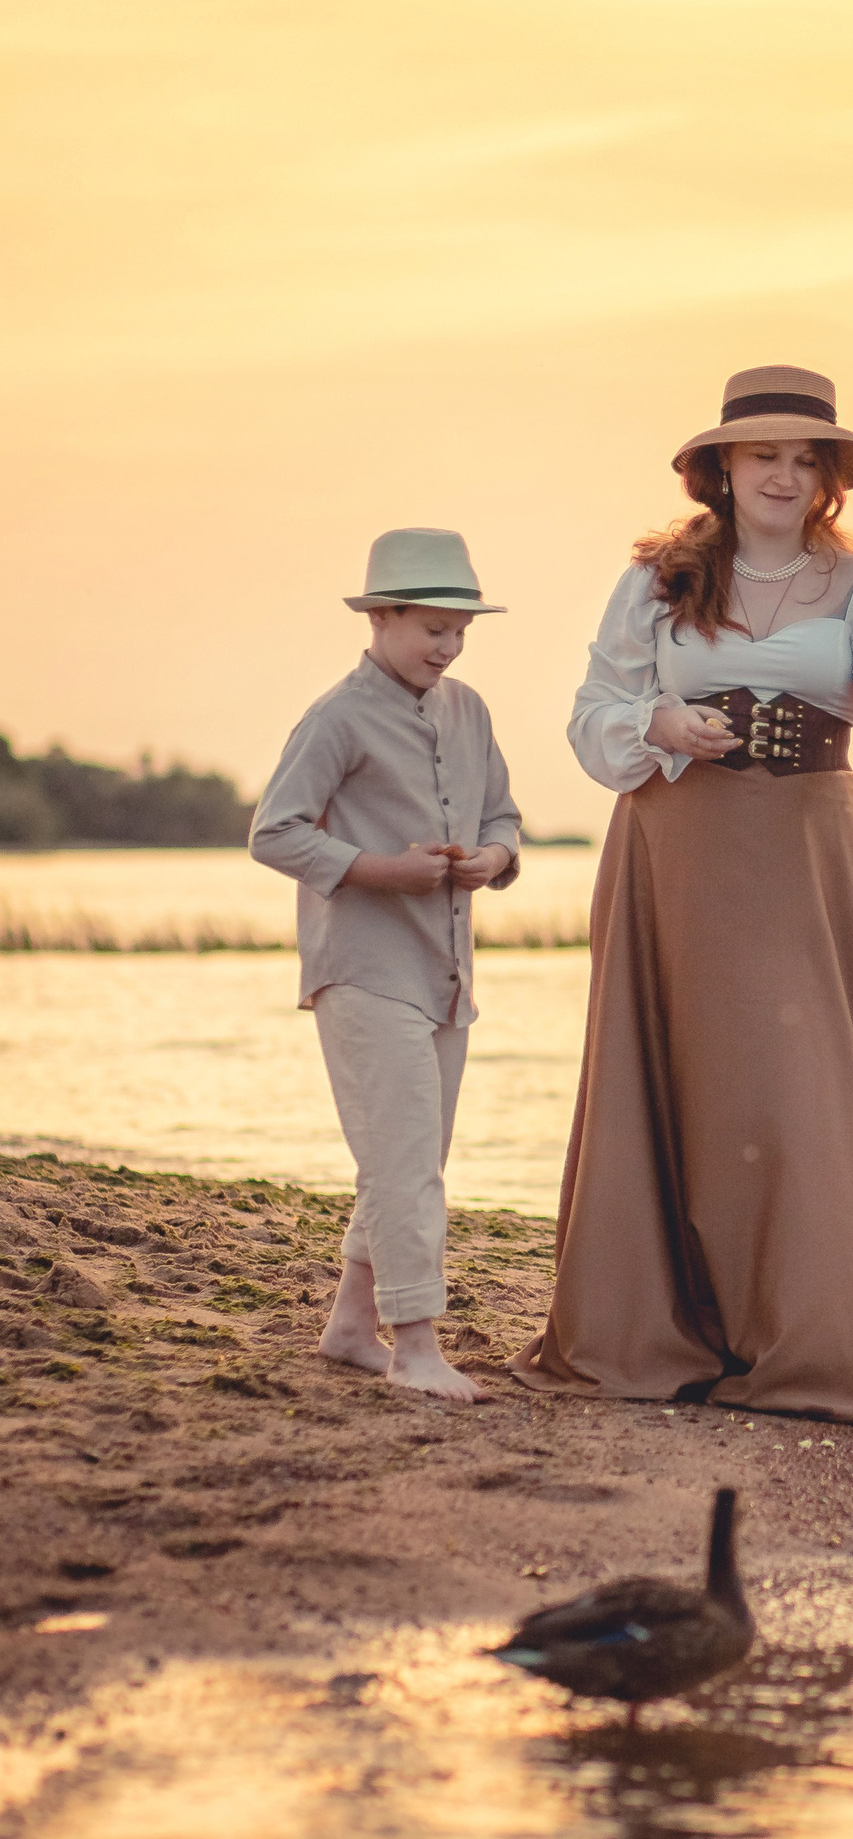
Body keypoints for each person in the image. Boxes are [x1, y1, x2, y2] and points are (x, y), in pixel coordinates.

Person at [512, 365, 853, 1428]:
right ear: (722, 467)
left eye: (803, 456)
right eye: (763, 452)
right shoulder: (654, 581)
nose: (783, 472)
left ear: (827, 477)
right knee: (698, 1078)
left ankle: (828, 1343)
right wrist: (658, 728)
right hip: (676, 846)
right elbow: (594, 712)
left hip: (812, 848)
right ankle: (681, 1329)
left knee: (806, 1084)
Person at [250, 529, 521, 1402]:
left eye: (460, 632)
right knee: (405, 1165)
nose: (447, 647)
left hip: (447, 975)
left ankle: (347, 1327)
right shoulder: (335, 716)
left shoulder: (469, 710)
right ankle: (415, 1347)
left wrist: (493, 861)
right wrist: (377, 870)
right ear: (381, 617)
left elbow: (505, 819)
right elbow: (274, 832)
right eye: (431, 629)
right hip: (362, 970)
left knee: (411, 1157)